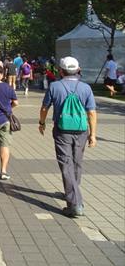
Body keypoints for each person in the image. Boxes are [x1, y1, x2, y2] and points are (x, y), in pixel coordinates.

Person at [38, 56, 97, 218]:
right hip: (81, 130)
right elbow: (91, 112)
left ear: (61, 71)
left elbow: (44, 108)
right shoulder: (86, 88)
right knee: (76, 163)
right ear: (78, 70)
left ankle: (75, 203)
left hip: (62, 130)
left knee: (66, 163)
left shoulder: (54, 86)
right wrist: (93, 134)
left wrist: (42, 123)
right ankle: (72, 191)